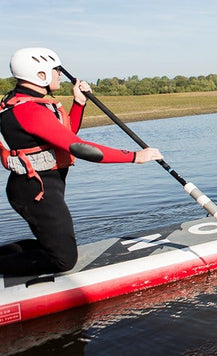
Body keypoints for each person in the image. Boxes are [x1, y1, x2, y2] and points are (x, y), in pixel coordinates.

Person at [0, 47, 163, 276]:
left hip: (38, 187)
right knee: (64, 261)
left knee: (56, 247)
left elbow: (67, 137)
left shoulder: (29, 103)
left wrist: (79, 102)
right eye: (56, 70)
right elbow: (79, 148)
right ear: (40, 75)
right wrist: (134, 156)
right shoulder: (29, 110)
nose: (59, 74)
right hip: (36, 192)